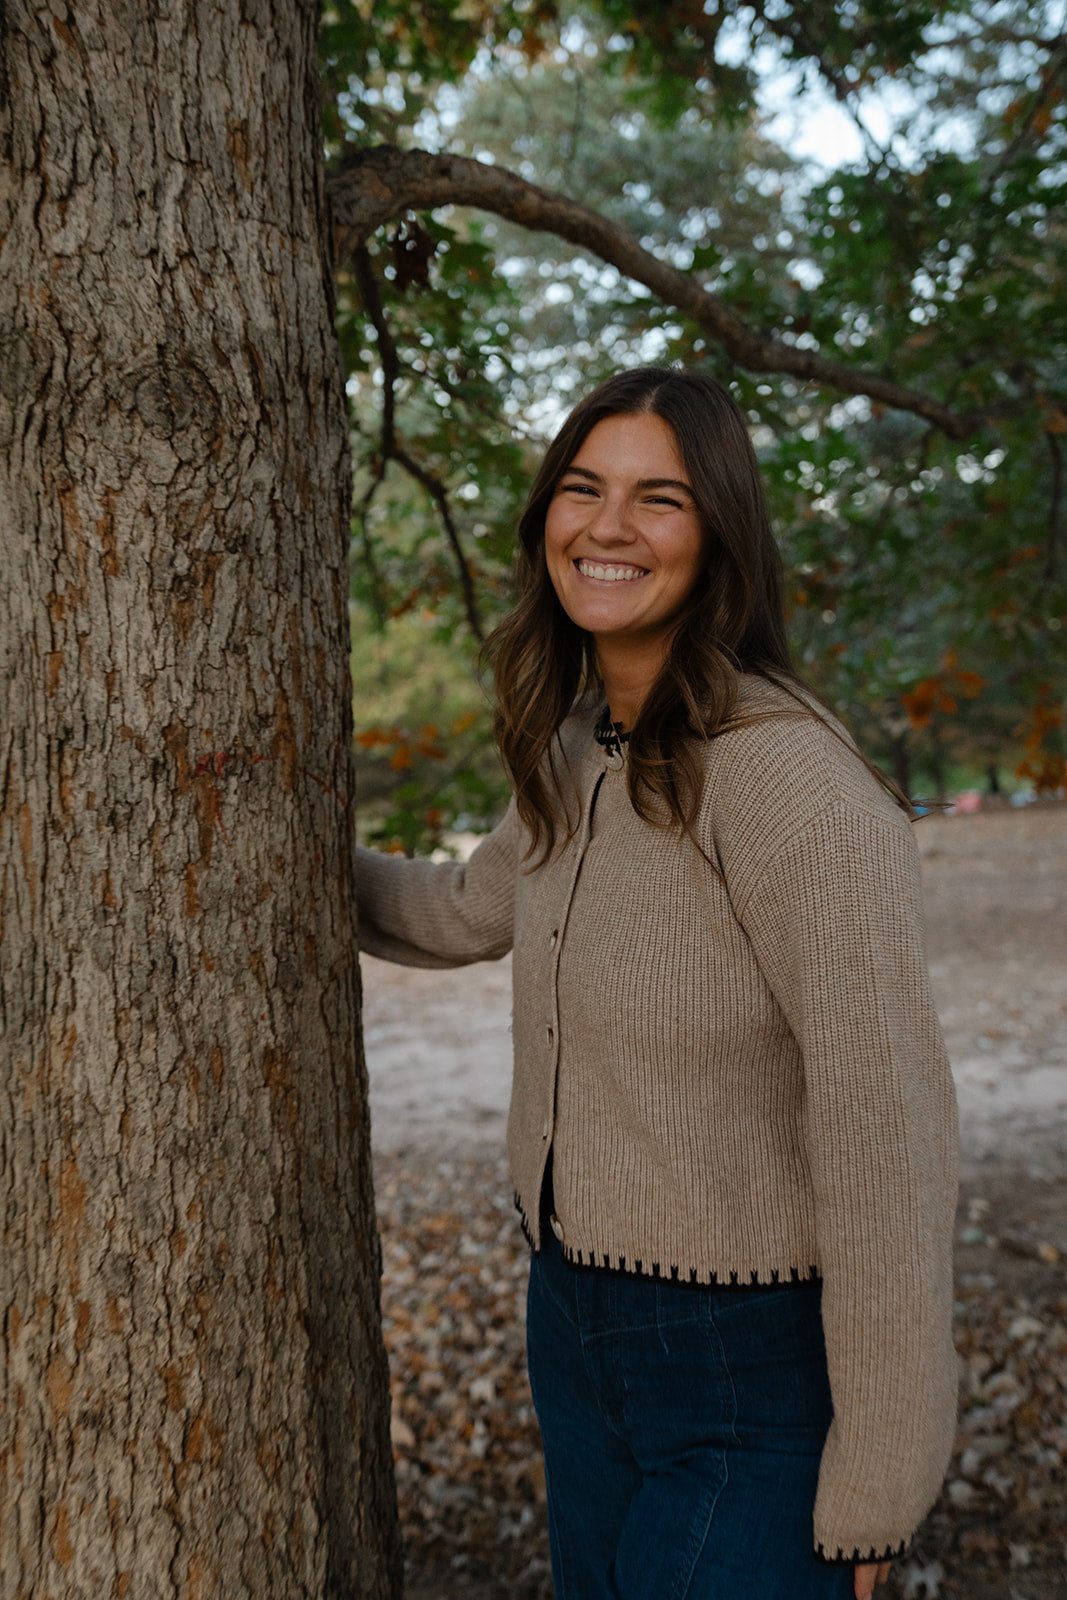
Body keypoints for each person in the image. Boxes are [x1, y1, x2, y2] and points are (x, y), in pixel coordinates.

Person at [355, 367, 959, 1600]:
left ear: (718, 534)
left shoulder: (795, 791)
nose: (608, 527)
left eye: (658, 499)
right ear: (544, 523)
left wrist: (877, 1486)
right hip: (574, 1328)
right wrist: (273, 857)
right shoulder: (582, 744)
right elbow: (470, 909)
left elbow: (885, 1136)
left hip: (751, 1367)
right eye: (582, 490)